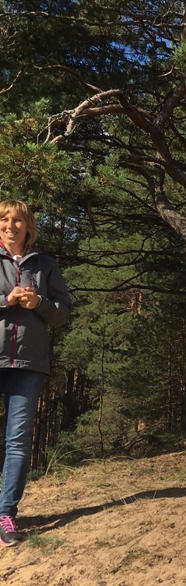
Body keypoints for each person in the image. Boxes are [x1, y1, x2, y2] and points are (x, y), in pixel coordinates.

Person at [0, 199, 70, 546]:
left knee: (17, 442)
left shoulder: (45, 264)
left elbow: (63, 312)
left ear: (28, 227)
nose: (10, 225)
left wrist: (38, 303)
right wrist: (6, 300)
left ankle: (6, 514)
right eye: (4, 219)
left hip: (29, 364)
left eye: (17, 220)